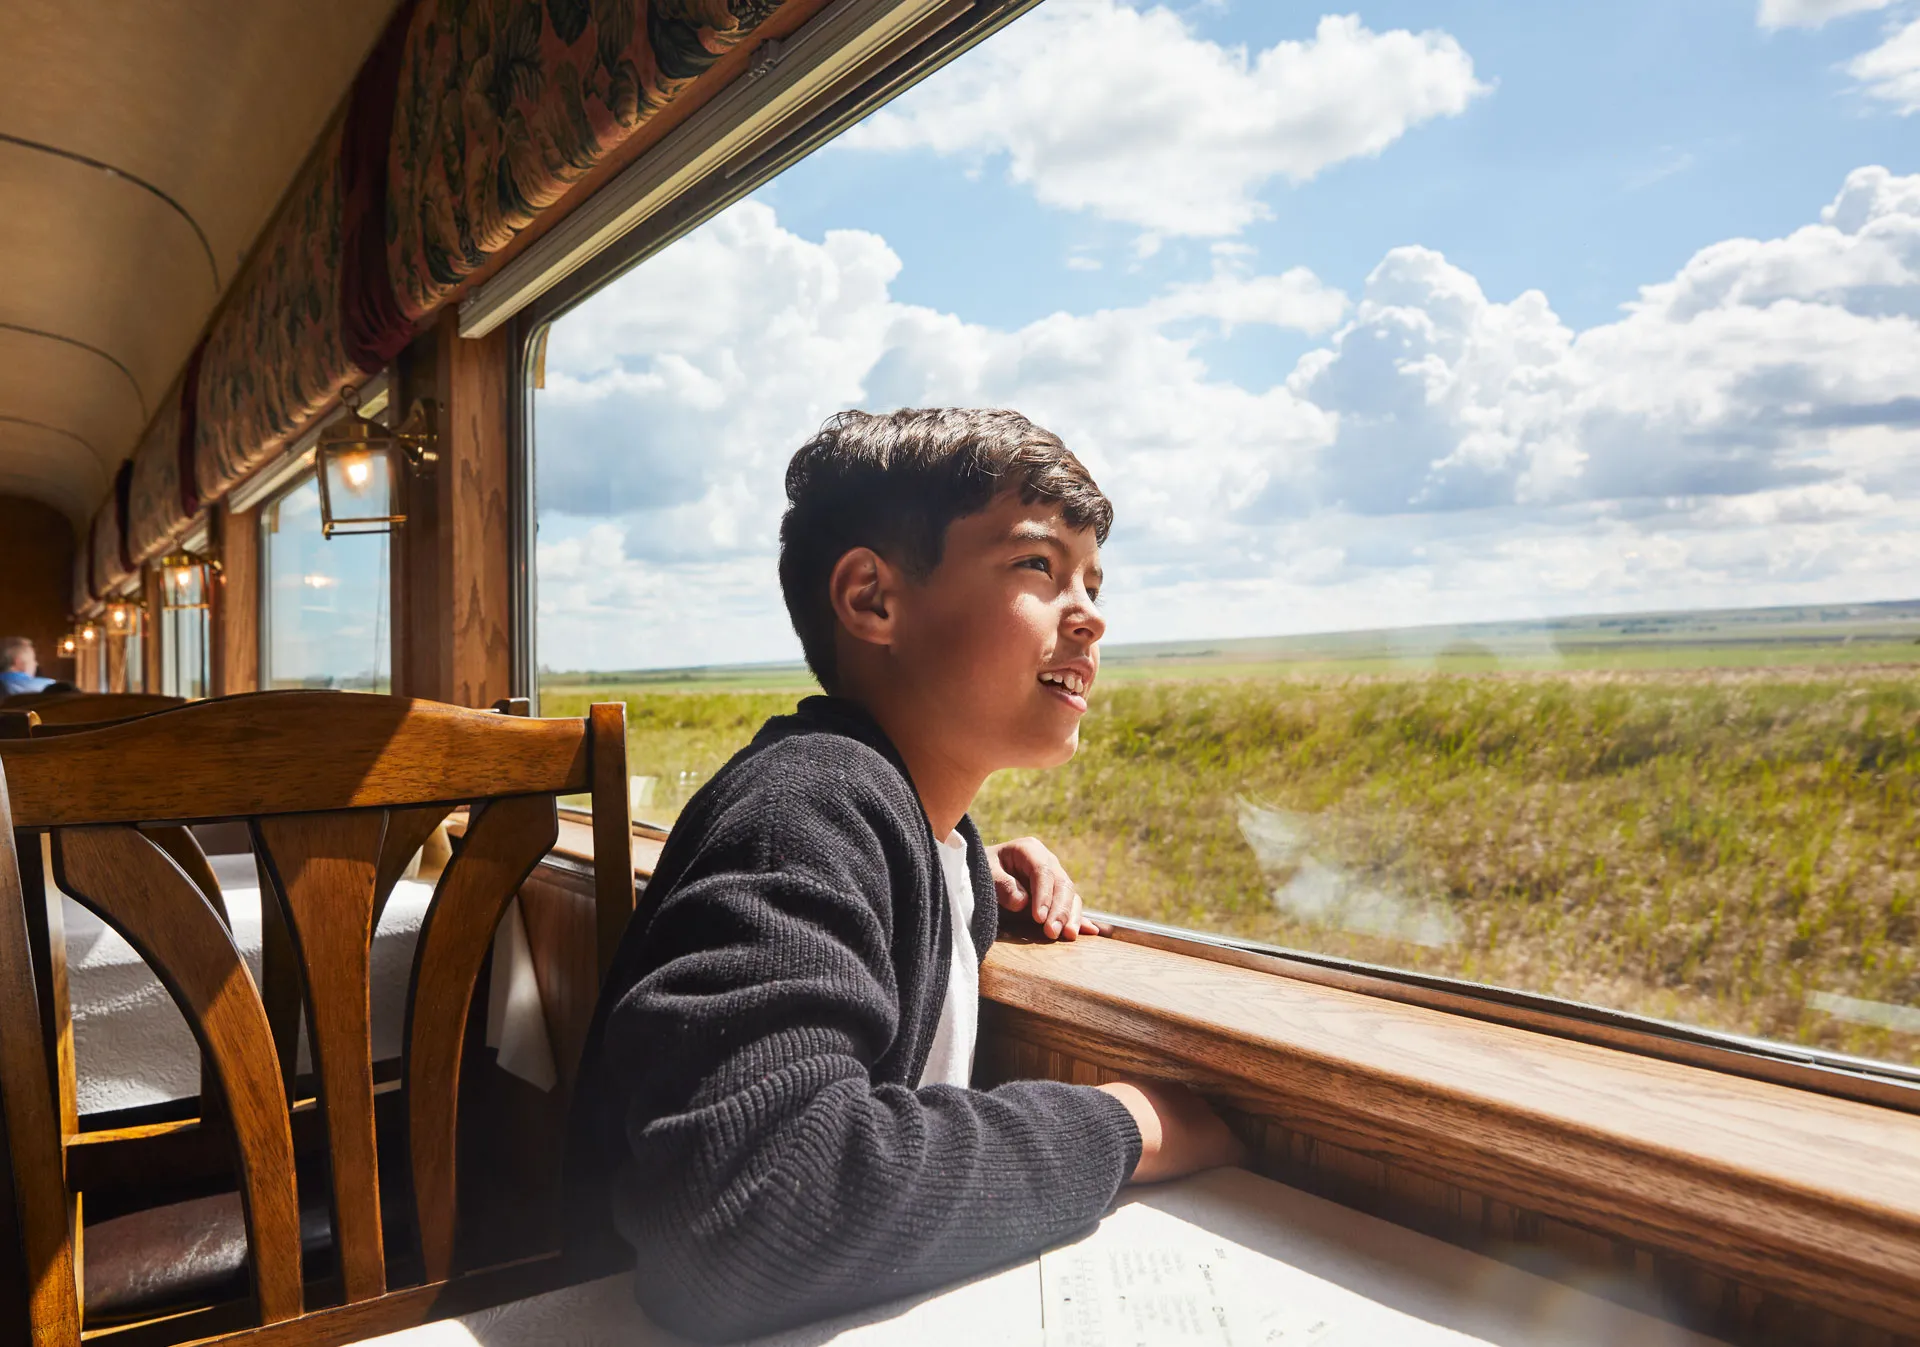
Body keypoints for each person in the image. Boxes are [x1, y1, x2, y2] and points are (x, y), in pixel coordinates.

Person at [567, 408, 1245, 1342]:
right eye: (1038, 566)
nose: (1092, 612)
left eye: (1094, 578)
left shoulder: (914, 833)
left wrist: (966, 870)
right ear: (872, 599)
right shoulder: (805, 808)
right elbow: (754, 1210)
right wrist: (1123, 1125)